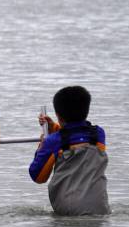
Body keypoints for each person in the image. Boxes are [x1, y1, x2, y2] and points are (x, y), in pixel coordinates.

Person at [29, 85, 110, 216]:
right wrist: (55, 128)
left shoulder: (53, 141)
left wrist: (42, 145)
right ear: (86, 110)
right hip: (100, 209)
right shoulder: (98, 134)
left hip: (68, 211)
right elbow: (76, 139)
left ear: (58, 115)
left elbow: (38, 176)